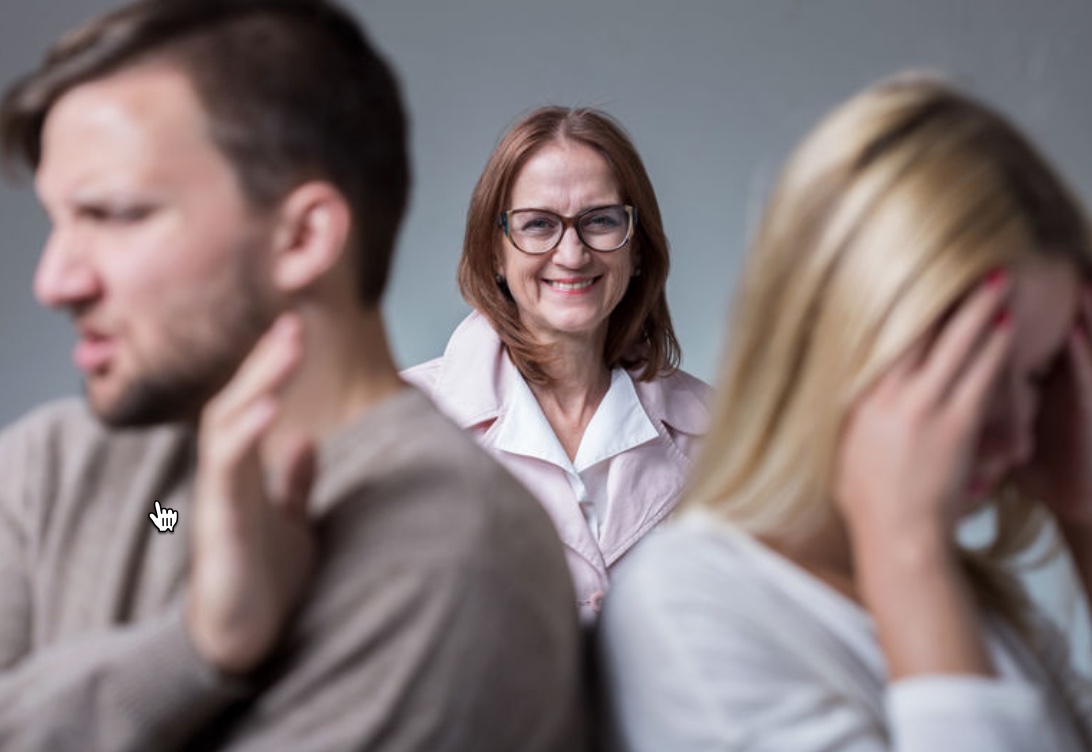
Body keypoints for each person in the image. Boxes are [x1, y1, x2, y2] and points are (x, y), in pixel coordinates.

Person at [0, 1, 587, 750]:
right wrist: (192, 652)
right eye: (58, 220)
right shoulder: (49, 472)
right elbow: (161, 523)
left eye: (115, 214)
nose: (55, 281)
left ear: (305, 237)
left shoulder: (454, 557)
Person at [599, 74, 1092, 751]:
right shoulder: (687, 608)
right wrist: (908, 551)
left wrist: (1085, 517)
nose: (1017, 434)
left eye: (1036, 377)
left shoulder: (989, 608)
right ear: (841, 342)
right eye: (971, 374)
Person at [403, 106, 710, 624]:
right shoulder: (405, 426)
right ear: (495, 252)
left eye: (601, 220)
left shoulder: (719, 434)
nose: (572, 254)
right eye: (539, 225)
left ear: (637, 248)